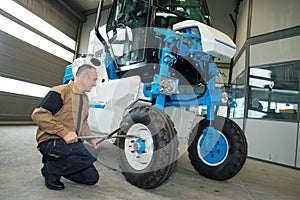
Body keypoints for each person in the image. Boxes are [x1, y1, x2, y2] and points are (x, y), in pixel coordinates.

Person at [31, 60, 100, 190]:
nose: (95, 84)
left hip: (69, 144)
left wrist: (91, 138)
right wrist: (64, 132)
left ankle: (55, 164)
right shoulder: (61, 91)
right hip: (51, 141)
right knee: (89, 154)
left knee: (91, 178)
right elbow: (38, 115)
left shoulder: (84, 99)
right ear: (84, 76)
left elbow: (83, 123)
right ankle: (51, 171)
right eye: (94, 80)